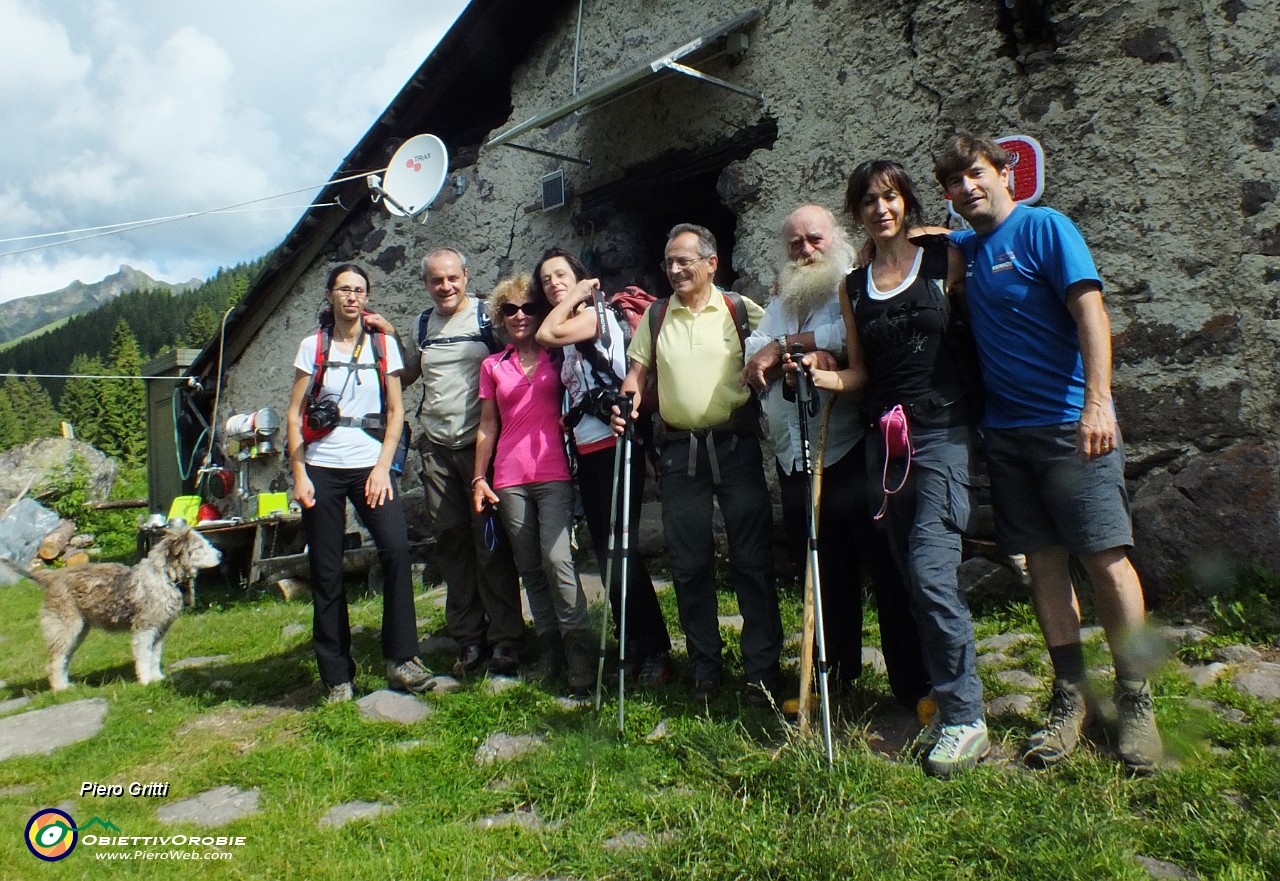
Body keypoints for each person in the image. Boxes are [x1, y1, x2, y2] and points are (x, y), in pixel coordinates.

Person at [934, 135, 1163, 773]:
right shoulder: (968, 251)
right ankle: (1072, 696)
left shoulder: (1046, 228)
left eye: (975, 174)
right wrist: (947, 252)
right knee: (1044, 566)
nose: (966, 188)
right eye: (953, 182)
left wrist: (1099, 402)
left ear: (1005, 172)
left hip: (1070, 425)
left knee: (1106, 560)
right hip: (1005, 436)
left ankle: (1135, 698)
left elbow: (1091, 311)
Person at [803, 162, 988, 776]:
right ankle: (939, 694)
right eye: (869, 201)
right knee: (911, 577)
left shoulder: (942, 259)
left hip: (942, 431)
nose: (882, 209)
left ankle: (966, 718)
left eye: (891, 197)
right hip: (888, 444)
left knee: (933, 574)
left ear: (905, 202)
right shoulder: (853, 286)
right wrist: (820, 376)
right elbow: (860, 373)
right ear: (855, 211)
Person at [742, 205, 930, 710]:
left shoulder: (854, 283)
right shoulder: (783, 298)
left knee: (887, 572)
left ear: (836, 238)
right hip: (795, 459)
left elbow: (851, 339)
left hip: (848, 451)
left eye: (814, 239)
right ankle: (834, 681)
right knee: (825, 577)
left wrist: (785, 347)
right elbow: (752, 350)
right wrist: (784, 348)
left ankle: (913, 687)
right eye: (795, 244)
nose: (805, 251)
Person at [619, 223, 784, 704]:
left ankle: (761, 671)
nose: (674, 270)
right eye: (669, 262)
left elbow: (776, 338)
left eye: (684, 261)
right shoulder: (655, 315)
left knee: (752, 562)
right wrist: (624, 402)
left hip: (736, 448)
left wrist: (772, 359)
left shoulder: (737, 309)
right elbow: (637, 374)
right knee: (690, 565)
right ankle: (704, 669)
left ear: (711, 263)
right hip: (678, 453)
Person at [367, 248, 524, 678]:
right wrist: (389, 338)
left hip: (482, 447)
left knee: (490, 543)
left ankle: (506, 640)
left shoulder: (486, 318)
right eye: (437, 281)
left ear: (466, 276)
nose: (446, 287)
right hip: (437, 447)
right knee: (452, 544)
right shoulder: (424, 323)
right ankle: (470, 640)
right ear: (427, 284)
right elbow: (412, 373)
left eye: (453, 278)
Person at [286, 263, 431, 702]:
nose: (352, 297)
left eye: (360, 290)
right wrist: (299, 474)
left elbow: (396, 412)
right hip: (322, 468)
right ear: (330, 295)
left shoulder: (384, 346)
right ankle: (336, 676)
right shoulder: (312, 347)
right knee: (326, 570)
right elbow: (293, 414)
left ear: (367, 298)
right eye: (344, 289)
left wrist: (383, 468)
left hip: (372, 464)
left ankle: (401, 658)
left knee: (396, 551)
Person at [533, 247, 675, 686]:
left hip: (617, 444)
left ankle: (656, 650)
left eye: (561, 275)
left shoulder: (596, 314)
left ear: (578, 276)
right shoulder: (573, 327)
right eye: (546, 281)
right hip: (588, 451)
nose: (553, 284)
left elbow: (545, 333)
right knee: (606, 553)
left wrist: (576, 292)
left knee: (622, 552)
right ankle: (631, 645)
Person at [473, 274, 595, 695]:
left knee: (557, 559)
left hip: (555, 471)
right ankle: (551, 650)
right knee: (529, 567)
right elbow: (488, 425)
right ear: (500, 317)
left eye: (528, 308)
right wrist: (478, 477)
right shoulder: (493, 366)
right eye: (510, 310)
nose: (520, 316)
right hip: (508, 478)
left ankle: (581, 649)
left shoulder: (557, 356)